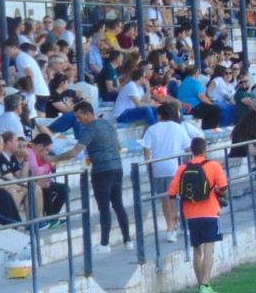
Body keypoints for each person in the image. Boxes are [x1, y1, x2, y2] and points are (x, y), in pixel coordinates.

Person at [49, 101, 131, 253]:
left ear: (88, 113)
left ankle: (105, 244)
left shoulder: (90, 129)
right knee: (118, 205)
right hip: (117, 168)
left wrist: (53, 159)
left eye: (80, 117)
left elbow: (74, 152)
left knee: (104, 207)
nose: (79, 121)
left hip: (101, 171)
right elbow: (119, 146)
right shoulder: (107, 124)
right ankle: (127, 240)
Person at [169, 137, 229, 293]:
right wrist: (219, 194)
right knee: (209, 249)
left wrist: (174, 212)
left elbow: (172, 192)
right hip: (211, 212)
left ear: (191, 150)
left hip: (190, 214)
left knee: (197, 250)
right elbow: (223, 187)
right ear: (205, 150)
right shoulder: (214, 166)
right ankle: (205, 285)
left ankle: (199, 285)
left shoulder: (182, 168)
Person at [142, 102, 195, 241]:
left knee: (165, 198)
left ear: (159, 115)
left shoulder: (152, 129)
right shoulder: (178, 128)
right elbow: (189, 148)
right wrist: (186, 163)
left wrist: (149, 167)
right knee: (177, 196)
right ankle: (183, 225)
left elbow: (146, 150)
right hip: (175, 167)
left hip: (159, 167)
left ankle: (170, 229)